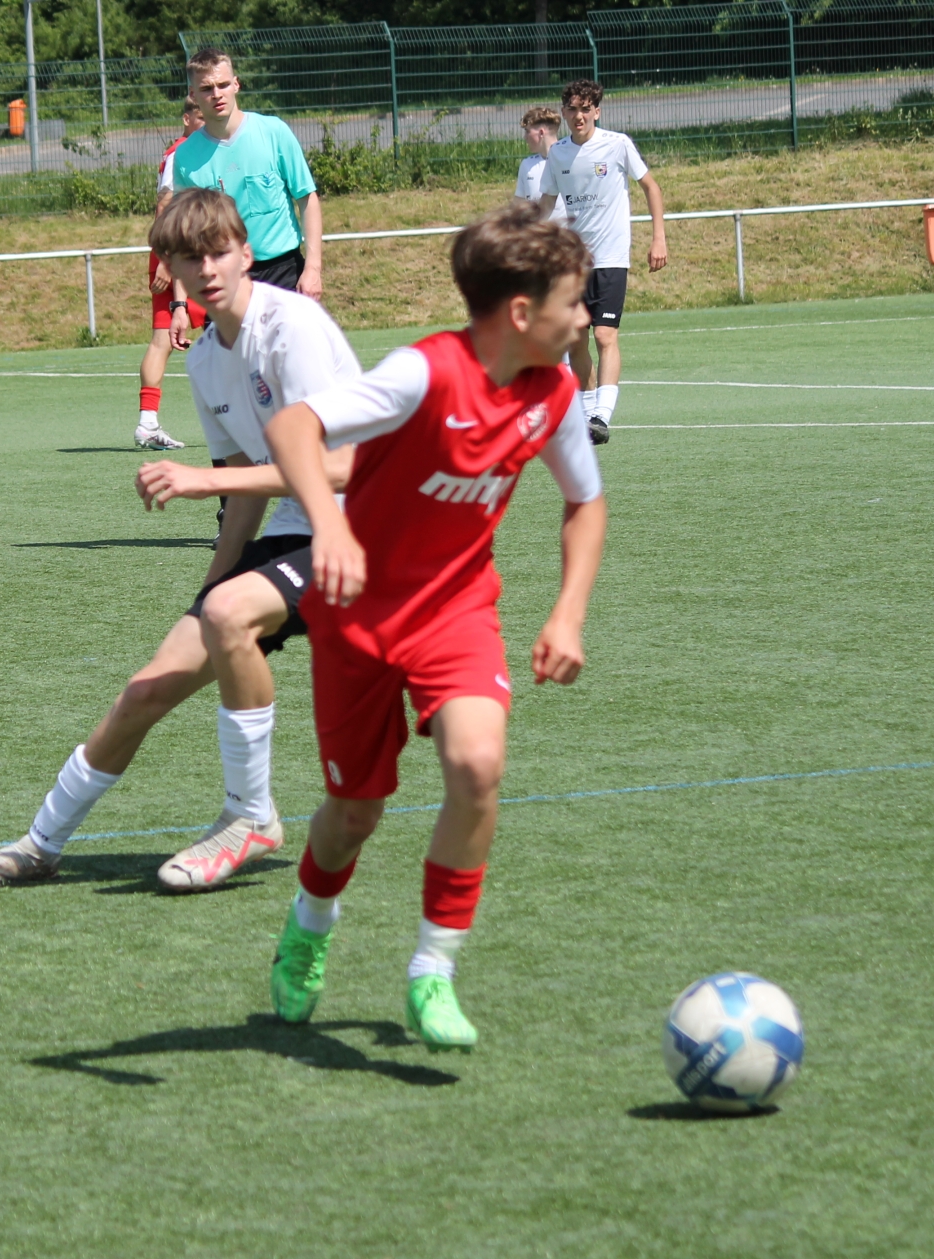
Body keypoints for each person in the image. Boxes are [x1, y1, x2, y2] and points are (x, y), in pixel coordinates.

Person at [260, 201, 607, 1051]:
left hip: (457, 611)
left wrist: (568, 612)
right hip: (357, 617)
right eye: (574, 301)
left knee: (477, 764)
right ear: (520, 313)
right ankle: (310, 924)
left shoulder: (556, 390)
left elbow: (585, 502)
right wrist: (329, 527)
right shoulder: (422, 373)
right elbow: (294, 425)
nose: (586, 317)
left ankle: (433, 971)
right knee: (353, 813)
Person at [0, 189, 361, 893]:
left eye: (219, 251)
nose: (207, 269)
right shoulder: (204, 359)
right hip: (298, 531)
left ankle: (250, 816)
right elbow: (244, 493)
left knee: (231, 618)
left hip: (368, 526)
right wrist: (210, 591)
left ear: (247, 253)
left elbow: (350, 465)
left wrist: (203, 482)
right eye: (188, 258)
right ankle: (40, 845)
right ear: (169, 270)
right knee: (147, 688)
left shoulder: (291, 326)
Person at [163, 46, 323, 356]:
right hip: (224, 279)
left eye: (223, 84)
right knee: (231, 373)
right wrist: (180, 305)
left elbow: (307, 199)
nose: (217, 94)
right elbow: (186, 237)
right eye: (207, 88)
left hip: (283, 273)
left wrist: (313, 268)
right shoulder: (185, 157)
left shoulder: (274, 132)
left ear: (236, 84)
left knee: (295, 366)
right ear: (193, 95)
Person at [538, 79, 667, 445]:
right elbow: (546, 203)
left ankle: (601, 416)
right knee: (575, 340)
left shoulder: (617, 144)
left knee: (604, 334)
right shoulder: (558, 154)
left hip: (610, 257)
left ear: (597, 111)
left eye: (585, 109)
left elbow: (651, 187)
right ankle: (585, 419)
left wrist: (658, 237)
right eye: (572, 109)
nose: (578, 116)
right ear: (564, 113)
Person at [135, 98, 208, 452]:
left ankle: (148, 424)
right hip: (175, 255)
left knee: (213, 334)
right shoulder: (182, 151)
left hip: (187, 253)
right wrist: (166, 259)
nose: (207, 121)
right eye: (200, 115)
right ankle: (148, 423)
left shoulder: (194, 149)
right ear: (187, 118)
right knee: (163, 339)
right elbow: (165, 203)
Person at [514, 106, 567, 222]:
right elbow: (518, 204)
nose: (525, 137)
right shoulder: (527, 165)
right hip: (536, 231)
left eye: (528, 131)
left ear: (541, 133)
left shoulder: (568, 160)